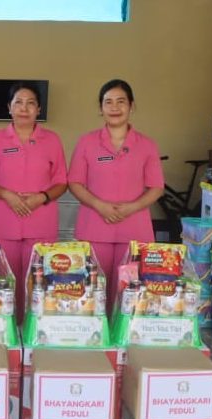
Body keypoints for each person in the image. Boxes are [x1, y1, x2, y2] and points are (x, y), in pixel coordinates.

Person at [68, 79, 164, 313]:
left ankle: (122, 334)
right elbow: (75, 182)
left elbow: (156, 187)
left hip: (134, 230)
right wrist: (99, 205)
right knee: (92, 291)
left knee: (129, 293)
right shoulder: (87, 142)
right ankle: (96, 332)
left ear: (131, 106)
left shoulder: (147, 145)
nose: (114, 107)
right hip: (94, 227)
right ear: (100, 108)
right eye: (108, 102)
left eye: (121, 101)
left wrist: (132, 207)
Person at [0, 81, 68, 324]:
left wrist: (42, 197)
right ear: (9, 107)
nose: (24, 108)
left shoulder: (52, 140)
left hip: (41, 220)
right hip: (4, 219)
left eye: (30, 103)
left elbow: (61, 181)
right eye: (18, 102)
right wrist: (7, 194)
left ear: (39, 109)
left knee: (38, 282)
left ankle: (34, 329)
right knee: (4, 281)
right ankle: (5, 328)